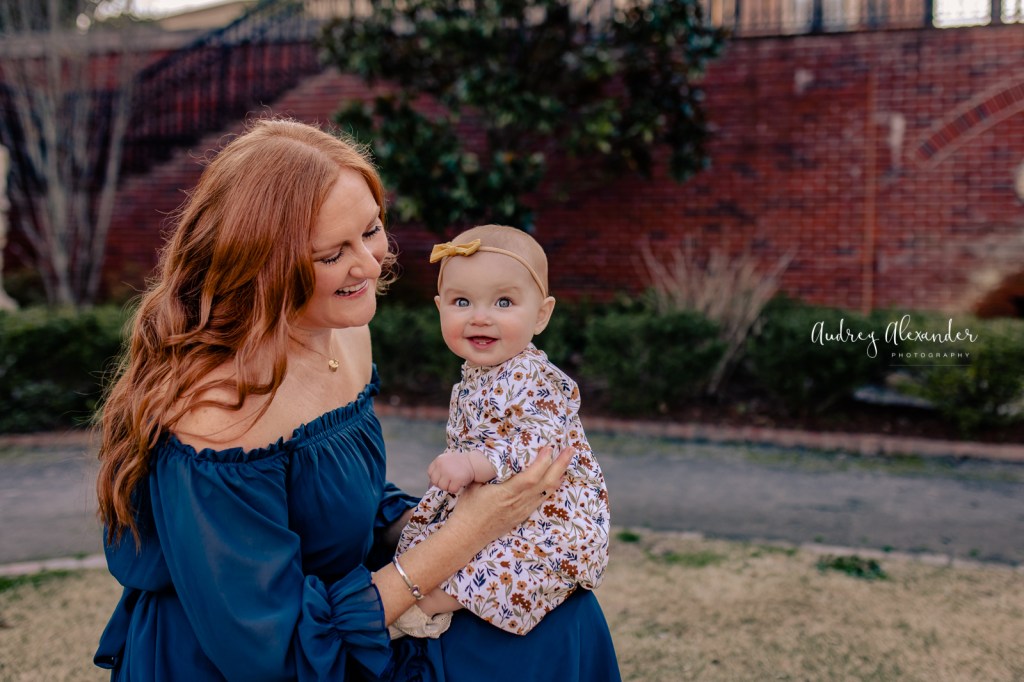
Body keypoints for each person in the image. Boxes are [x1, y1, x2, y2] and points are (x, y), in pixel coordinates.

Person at [92, 117, 620, 681]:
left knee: (565, 616)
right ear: (263, 264)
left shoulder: (343, 332)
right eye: (331, 254)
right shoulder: (220, 413)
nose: (370, 264)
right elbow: (273, 653)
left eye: (371, 230)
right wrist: (467, 533)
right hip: (262, 652)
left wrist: (487, 518)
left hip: (345, 604)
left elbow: (343, 506)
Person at [389, 225, 610, 640]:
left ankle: (421, 610)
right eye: (461, 302)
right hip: (507, 505)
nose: (480, 316)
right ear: (440, 308)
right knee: (432, 543)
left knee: (499, 568)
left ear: (541, 314)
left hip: (550, 523)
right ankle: (417, 597)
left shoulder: (533, 376)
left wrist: (473, 463)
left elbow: (536, 442)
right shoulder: (481, 374)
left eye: (503, 302)